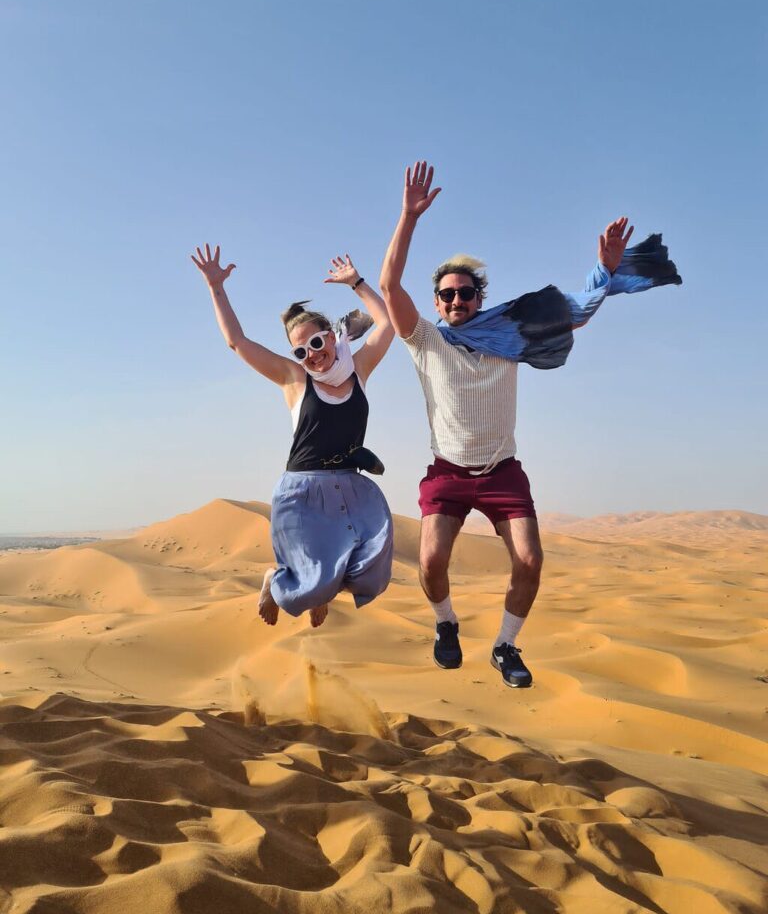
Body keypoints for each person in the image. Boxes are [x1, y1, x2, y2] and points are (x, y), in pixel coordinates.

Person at [379, 161, 681, 688]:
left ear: (480, 298)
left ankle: (504, 646)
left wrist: (604, 270)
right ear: (436, 303)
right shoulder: (424, 341)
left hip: (502, 472)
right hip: (448, 470)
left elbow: (576, 314)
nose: (456, 301)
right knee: (429, 562)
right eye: (447, 294)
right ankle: (446, 626)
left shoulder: (508, 334)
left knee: (530, 560)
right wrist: (408, 217)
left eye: (465, 293)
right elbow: (388, 284)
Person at [192, 243, 395, 628]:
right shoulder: (295, 379)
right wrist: (216, 287)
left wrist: (357, 283)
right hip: (303, 491)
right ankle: (277, 581)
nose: (313, 355)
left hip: (352, 489)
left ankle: (323, 590)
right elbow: (238, 342)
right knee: (307, 589)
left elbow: (385, 325)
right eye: (301, 351)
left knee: (373, 574)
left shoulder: (359, 370)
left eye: (317, 343)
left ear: (332, 338)